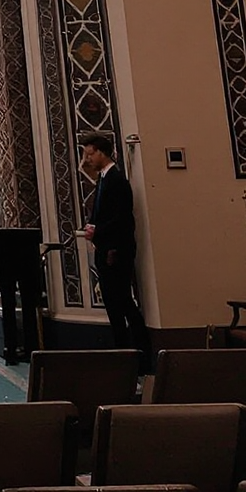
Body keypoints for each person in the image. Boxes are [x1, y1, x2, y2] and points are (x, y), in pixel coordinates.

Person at [80, 133, 147, 364]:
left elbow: (122, 218)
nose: (87, 159)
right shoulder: (104, 179)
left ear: (101, 152)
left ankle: (137, 355)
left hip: (115, 252)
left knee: (122, 303)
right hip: (106, 249)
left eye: (90, 154)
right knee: (114, 304)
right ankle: (125, 353)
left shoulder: (117, 181)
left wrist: (97, 232)